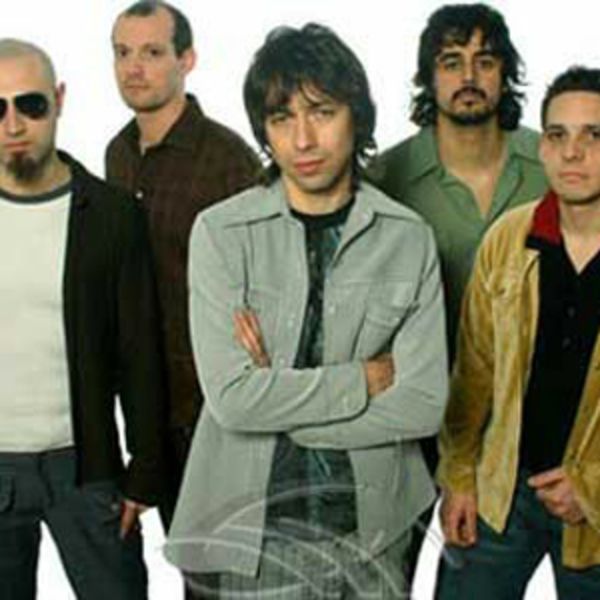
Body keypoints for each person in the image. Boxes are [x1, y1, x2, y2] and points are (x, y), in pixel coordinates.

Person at [164, 23, 448, 598]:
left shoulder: (408, 237)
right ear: (264, 131)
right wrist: (361, 380)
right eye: (281, 118)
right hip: (255, 531)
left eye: (321, 112)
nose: (303, 139)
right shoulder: (222, 234)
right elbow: (233, 399)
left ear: (356, 116)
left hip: (377, 529)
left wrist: (283, 406)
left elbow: (422, 405)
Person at [370, 3, 548, 582]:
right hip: (409, 421)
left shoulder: (554, 165)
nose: (469, 76)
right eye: (451, 62)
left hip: (522, 420)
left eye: (484, 61)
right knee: (380, 579)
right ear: (429, 76)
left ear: (505, 72)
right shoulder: (386, 179)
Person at [0, 39, 166, 600]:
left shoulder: (112, 215)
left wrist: (145, 470)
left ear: (59, 100)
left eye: (31, 105)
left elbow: (140, 351)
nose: (13, 124)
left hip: (88, 465)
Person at [436, 66, 600, 599]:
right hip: (501, 493)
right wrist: (460, 477)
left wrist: (591, 487)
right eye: (558, 135)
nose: (573, 152)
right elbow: (473, 373)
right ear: (543, 147)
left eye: (594, 135)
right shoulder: (510, 237)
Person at [106, 0, 259, 529]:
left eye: (152, 53)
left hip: (213, 409)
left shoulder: (227, 159)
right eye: (122, 53)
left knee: (228, 559)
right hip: (148, 409)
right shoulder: (118, 154)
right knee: (185, 553)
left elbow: (264, 280)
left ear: (186, 60)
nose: (134, 68)